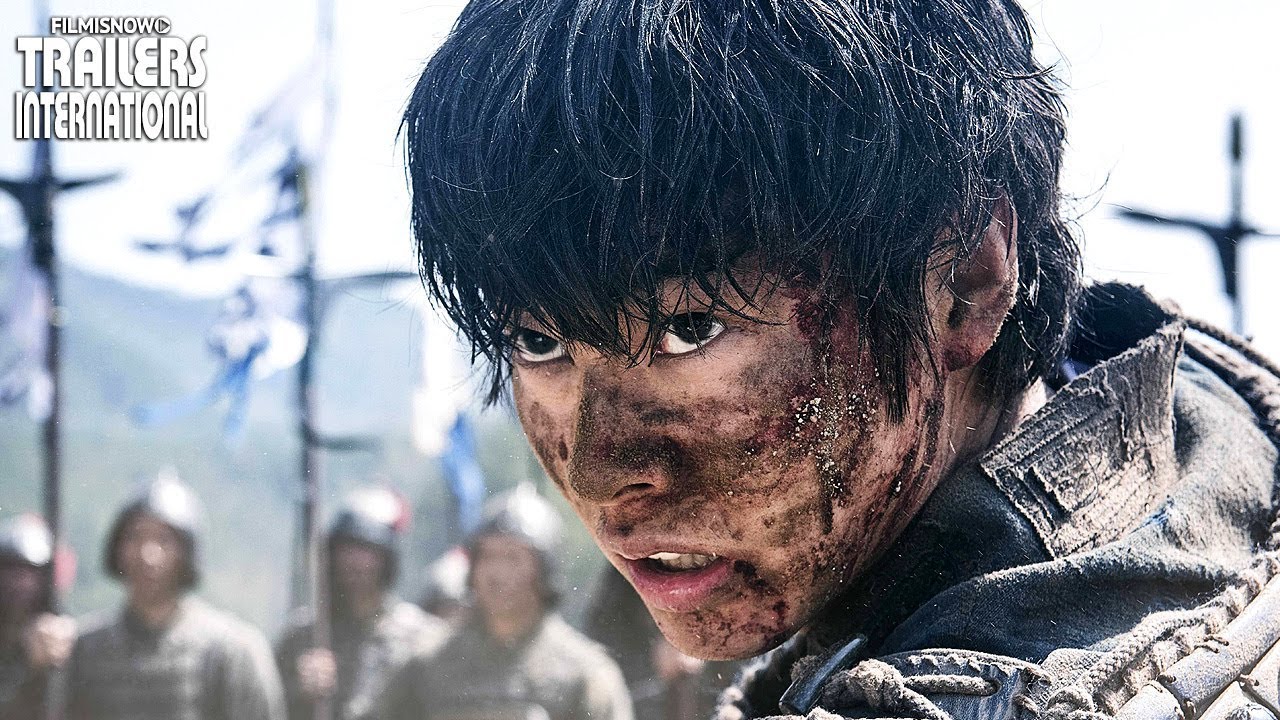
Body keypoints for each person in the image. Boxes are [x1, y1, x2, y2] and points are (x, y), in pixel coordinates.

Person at [398, 0, 1280, 717]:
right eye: (540, 342)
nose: (599, 472)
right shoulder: (1220, 423)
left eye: (691, 327)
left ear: (965, 282)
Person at [374, 484, 633, 720]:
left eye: (512, 558)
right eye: (487, 556)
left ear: (543, 572)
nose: (496, 573)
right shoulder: (426, 664)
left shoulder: (584, 675)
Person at [66, 472, 285, 720]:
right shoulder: (83, 649)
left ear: (186, 553)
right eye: (135, 537)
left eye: (164, 540)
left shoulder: (232, 652)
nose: (148, 554)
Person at [277, 486, 448, 720]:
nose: (355, 562)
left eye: (367, 551)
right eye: (347, 550)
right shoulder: (302, 637)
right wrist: (299, 692)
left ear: (386, 559)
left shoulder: (420, 636)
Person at [0, 514, 74, 720]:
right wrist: (26, 662)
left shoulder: (65, 634)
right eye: (9, 571)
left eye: (29, 573)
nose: (19, 583)